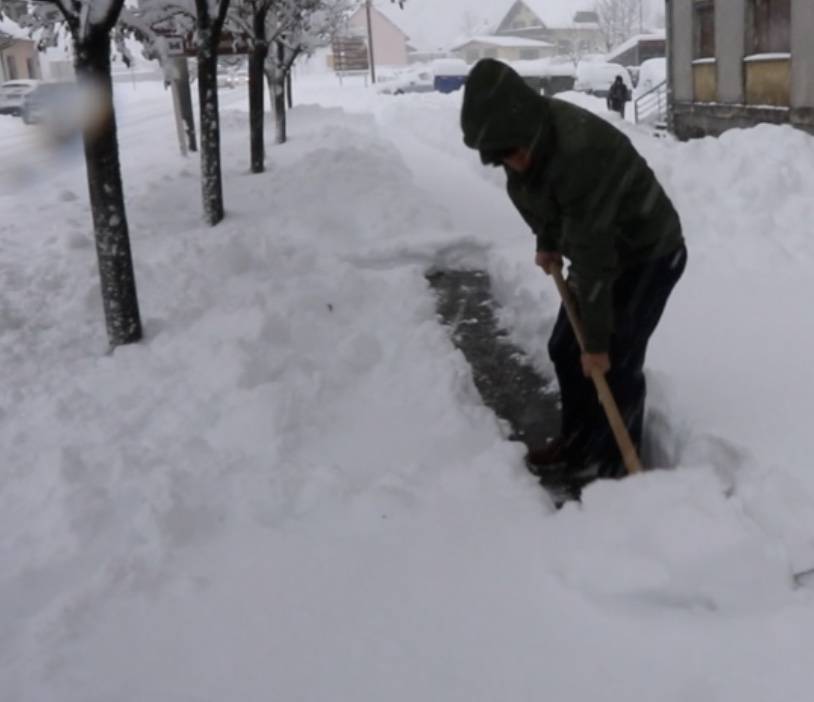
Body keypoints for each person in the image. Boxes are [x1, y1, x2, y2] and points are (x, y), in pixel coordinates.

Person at [460, 58, 686, 479]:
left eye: (517, 149)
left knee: (615, 359)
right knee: (566, 348)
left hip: (647, 253)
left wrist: (598, 343)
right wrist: (546, 242)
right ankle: (580, 441)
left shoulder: (578, 152)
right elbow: (547, 206)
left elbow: (594, 256)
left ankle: (617, 467)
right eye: (504, 156)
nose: (516, 160)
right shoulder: (519, 152)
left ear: (528, 127)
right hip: (600, 251)